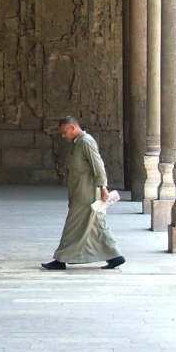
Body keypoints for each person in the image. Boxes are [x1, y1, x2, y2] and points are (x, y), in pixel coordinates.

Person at [42, 116, 125, 271]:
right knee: (97, 224)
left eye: (64, 132)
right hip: (81, 191)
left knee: (72, 226)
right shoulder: (79, 142)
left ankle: (60, 260)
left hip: (86, 193)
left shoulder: (86, 141)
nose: (63, 135)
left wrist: (103, 188)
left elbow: (98, 165)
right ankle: (115, 256)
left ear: (73, 128)